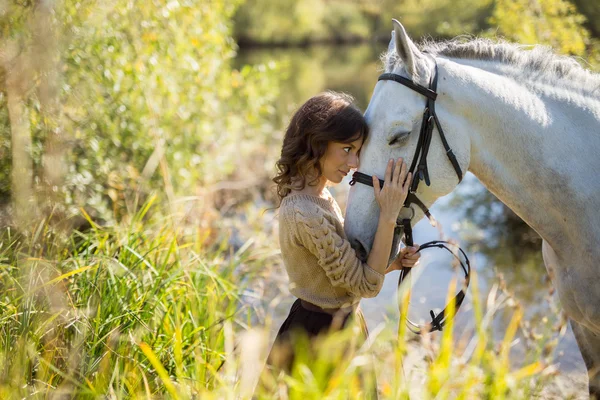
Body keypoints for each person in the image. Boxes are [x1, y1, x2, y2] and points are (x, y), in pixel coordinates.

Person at [262, 91, 420, 397]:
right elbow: (366, 286)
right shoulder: (305, 211)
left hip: (336, 324)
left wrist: (393, 263)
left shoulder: (317, 195)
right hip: (318, 338)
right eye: (346, 149)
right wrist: (388, 214)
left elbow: (340, 276)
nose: (354, 162)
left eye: (358, 151)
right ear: (316, 142)